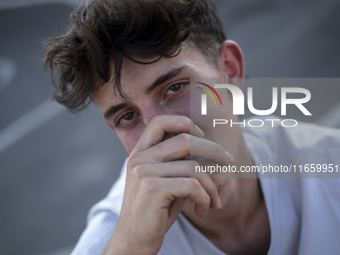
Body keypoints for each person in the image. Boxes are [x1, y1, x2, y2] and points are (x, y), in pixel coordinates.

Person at [44, 0, 340, 254]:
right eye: (127, 116)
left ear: (231, 70)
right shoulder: (114, 240)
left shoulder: (328, 163)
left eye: (175, 88)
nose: (159, 131)